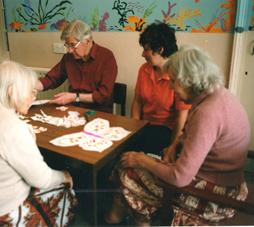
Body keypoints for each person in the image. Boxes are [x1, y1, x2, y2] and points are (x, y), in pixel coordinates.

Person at [105, 46, 251, 226]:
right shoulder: (218, 94)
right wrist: (175, 145)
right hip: (229, 180)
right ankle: (131, 217)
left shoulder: (208, 113)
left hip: (216, 194)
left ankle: (134, 219)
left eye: (174, 82)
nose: (172, 88)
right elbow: (197, 136)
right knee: (136, 161)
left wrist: (142, 160)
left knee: (127, 168)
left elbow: (180, 178)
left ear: (189, 81)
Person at [0, 60, 77, 226]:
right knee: (66, 190)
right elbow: (42, 179)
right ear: (11, 91)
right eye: (30, 92)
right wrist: (65, 175)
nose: (34, 96)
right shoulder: (12, 127)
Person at [131, 23, 191, 155]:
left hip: (166, 130)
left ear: (160, 50)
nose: (142, 54)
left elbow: (181, 118)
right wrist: (135, 128)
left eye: (146, 49)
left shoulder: (179, 75)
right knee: (120, 148)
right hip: (144, 126)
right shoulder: (144, 69)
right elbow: (137, 102)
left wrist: (172, 148)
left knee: (142, 151)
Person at [36, 19, 118, 113]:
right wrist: (30, 85)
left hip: (98, 111)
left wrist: (75, 97)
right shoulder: (69, 57)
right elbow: (52, 79)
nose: (70, 50)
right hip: (74, 109)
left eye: (73, 45)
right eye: (67, 45)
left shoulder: (106, 57)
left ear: (87, 40)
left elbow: (103, 95)